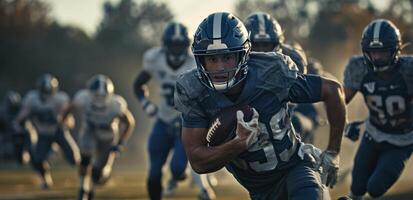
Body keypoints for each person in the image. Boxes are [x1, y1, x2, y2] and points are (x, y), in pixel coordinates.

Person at [174, 12, 346, 200]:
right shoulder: (194, 90)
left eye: (227, 57)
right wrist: (236, 145)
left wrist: (333, 152)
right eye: (213, 59)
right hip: (260, 191)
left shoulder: (271, 72)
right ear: (201, 61)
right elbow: (198, 161)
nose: (221, 68)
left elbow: (333, 90)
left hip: (294, 167)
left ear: (243, 54)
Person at [133, 21, 215, 200]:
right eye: (173, 45)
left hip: (186, 124)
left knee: (178, 169)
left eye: (181, 45)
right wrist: (145, 103)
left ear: (187, 45)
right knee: (154, 172)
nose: (177, 50)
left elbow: (209, 92)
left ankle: (179, 176)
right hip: (163, 120)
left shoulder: (195, 62)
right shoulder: (155, 59)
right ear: (165, 44)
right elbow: (138, 84)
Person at [342, 19, 413, 200]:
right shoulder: (359, 68)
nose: (378, 57)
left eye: (383, 52)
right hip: (373, 134)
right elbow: (340, 101)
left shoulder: (408, 70)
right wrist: (345, 124)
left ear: (395, 50)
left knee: (375, 188)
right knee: (357, 186)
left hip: (402, 140)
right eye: (373, 52)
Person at [244, 12, 326, 144]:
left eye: (266, 45)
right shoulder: (237, 62)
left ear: (278, 44)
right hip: (258, 117)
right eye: (256, 45)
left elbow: (325, 84)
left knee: (294, 122)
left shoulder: (293, 59)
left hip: (295, 112)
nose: (261, 52)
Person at [61, 74, 135, 200]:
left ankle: (91, 186)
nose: (99, 99)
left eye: (102, 96)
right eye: (96, 96)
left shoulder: (116, 104)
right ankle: (82, 188)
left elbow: (129, 122)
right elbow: (69, 108)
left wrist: (121, 141)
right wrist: (64, 121)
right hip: (90, 129)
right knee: (85, 159)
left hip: (108, 133)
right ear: (89, 92)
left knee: (98, 173)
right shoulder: (83, 97)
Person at [14, 74, 80, 189]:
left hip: (59, 132)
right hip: (43, 134)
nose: (46, 95)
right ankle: (46, 180)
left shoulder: (60, 99)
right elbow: (22, 115)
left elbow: (70, 122)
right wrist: (20, 123)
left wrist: (63, 122)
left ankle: (84, 180)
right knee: (38, 160)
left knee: (75, 159)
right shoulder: (32, 98)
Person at [0, 91, 31, 164]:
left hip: (20, 135)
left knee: (29, 135)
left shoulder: (23, 110)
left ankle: (26, 153)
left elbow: (27, 125)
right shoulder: (2, 112)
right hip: (7, 135)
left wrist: (19, 129)